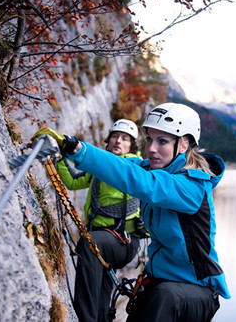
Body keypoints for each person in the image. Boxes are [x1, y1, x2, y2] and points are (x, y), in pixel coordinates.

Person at [34, 103, 230, 321]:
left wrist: (78, 149)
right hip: (159, 282)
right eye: (150, 139)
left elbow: (139, 181)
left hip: (194, 292)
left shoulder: (192, 187)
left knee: (165, 297)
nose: (152, 148)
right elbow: (123, 164)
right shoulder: (155, 168)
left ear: (183, 144)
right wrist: (64, 149)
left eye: (162, 141)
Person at [56, 119, 145, 321]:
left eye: (124, 139)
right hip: (105, 241)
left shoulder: (132, 166)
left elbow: (121, 167)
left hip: (124, 241)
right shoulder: (99, 167)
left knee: (89, 243)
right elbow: (72, 182)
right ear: (108, 139)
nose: (118, 141)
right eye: (115, 136)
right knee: (103, 292)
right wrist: (60, 159)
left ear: (132, 146)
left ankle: (85, 319)